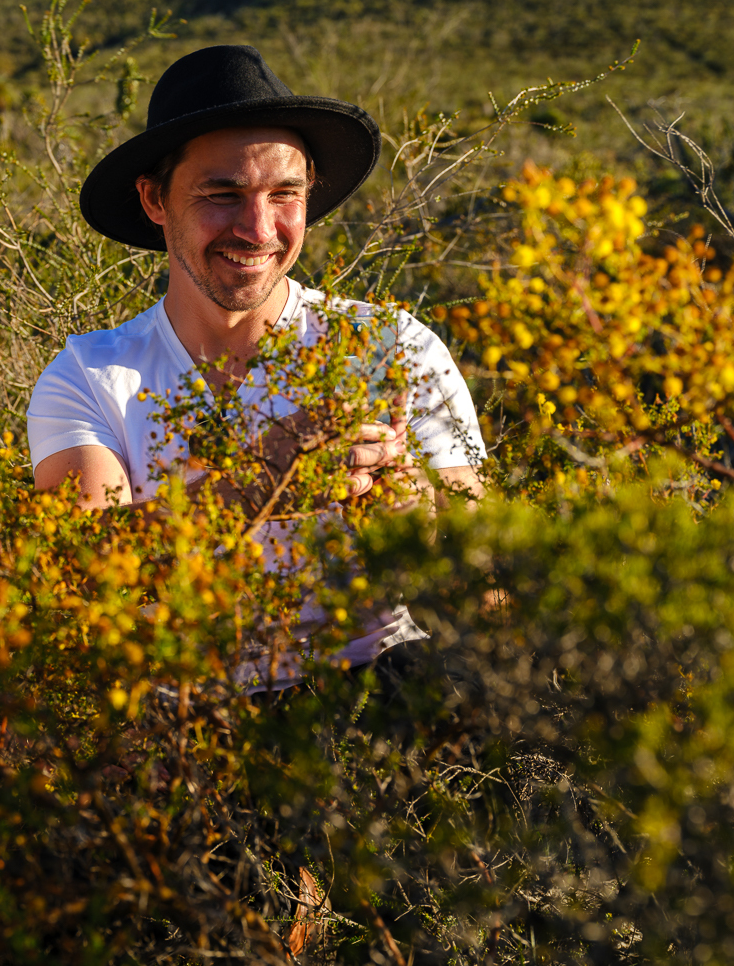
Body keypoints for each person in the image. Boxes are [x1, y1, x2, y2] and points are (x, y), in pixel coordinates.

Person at [28, 45, 486, 690]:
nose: (258, 227)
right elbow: (80, 566)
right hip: (185, 715)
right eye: (222, 194)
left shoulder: (392, 345)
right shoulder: (89, 375)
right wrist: (264, 478)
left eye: (285, 194)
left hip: (380, 689)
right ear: (154, 200)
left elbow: (486, 585)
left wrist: (420, 529)